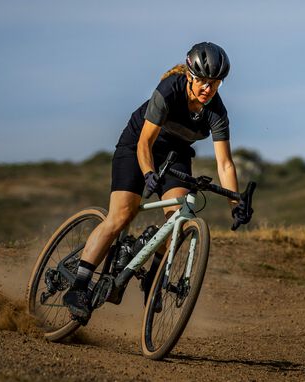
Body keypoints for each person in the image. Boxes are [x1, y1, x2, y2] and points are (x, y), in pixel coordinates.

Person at [63, 41, 251, 321]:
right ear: (190, 75)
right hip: (138, 146)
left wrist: (234, 202)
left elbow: (225, 163)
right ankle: (78, 284)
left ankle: (152, 278)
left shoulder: (217, 112)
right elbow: (144, 143)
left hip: (175, 155)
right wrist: (149, 174)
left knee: (178, 218)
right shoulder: (169, 90)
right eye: (202, 81)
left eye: (215, 83)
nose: (207, 89)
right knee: (122, 214)